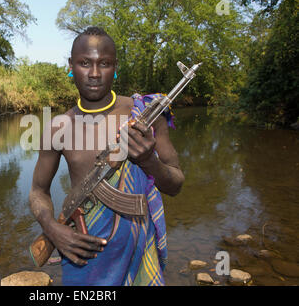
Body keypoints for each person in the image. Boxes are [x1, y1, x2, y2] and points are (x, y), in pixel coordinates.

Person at [28, 27, 185, 286]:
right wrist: (52, 229)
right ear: (71, 66)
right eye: (84, 63)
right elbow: (37, 190)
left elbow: (176, 184)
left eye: (104, 64)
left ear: (115, 67)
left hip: (139, 250)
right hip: (83, 255)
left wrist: (150, 162)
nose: (94, 73)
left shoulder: (145, 113)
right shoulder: (58, 126)